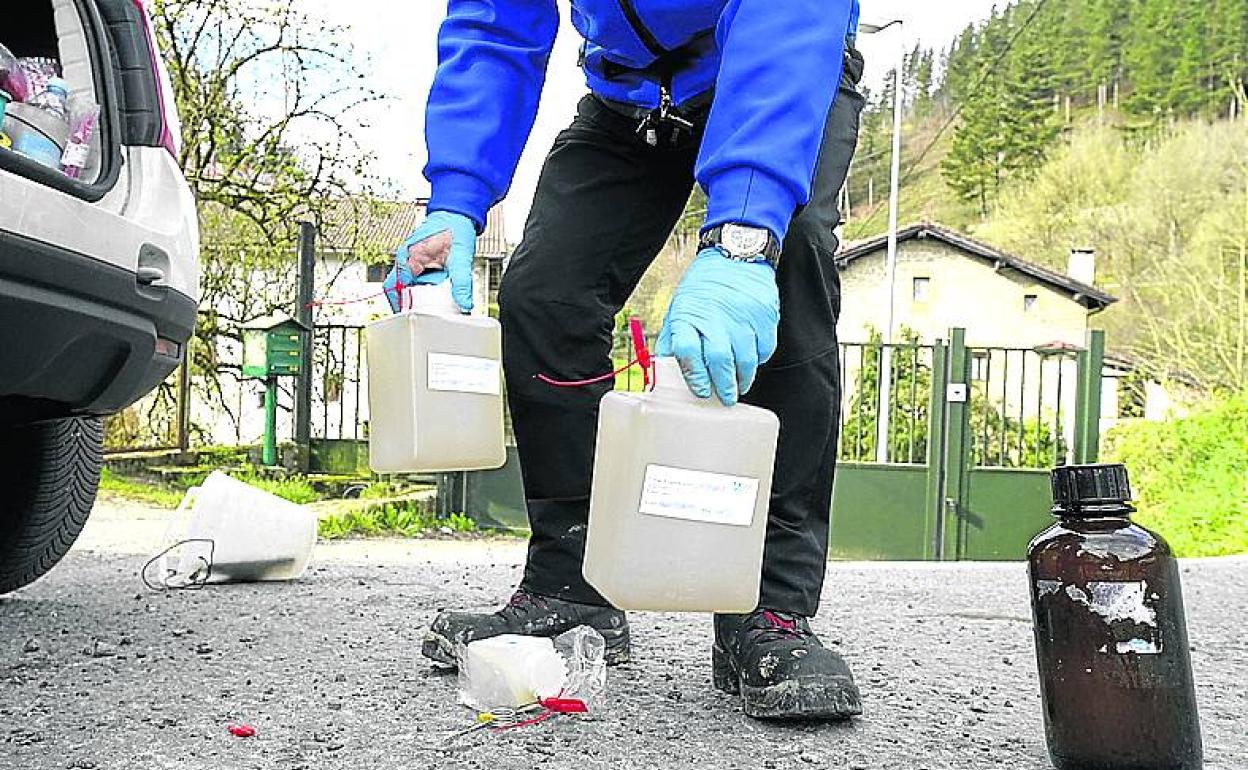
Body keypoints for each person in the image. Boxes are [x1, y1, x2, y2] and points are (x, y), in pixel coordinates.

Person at [384, 0, 866, 721]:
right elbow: (495, 23)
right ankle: (572, 586)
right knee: (545, 292)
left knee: (789, 267)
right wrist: (458, 195)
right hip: (634, 96)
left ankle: (768, 610)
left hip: (780, 63)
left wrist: (744, 228)